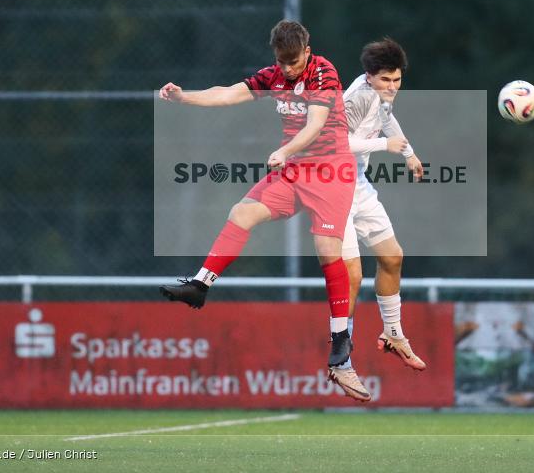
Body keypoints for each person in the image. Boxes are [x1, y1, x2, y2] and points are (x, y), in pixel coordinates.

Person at [157, 20, 371, 402]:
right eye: (281, 62)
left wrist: (286, 151)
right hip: (292, 170)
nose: (287, 69)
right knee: (242, 213)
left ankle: (340, 339)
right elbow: (226, 94)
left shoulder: (324, 71)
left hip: (330, 172)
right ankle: (200, 286)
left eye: (292, 62)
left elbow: (316, 123)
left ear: (306, 50)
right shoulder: (273, 75)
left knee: (327, 251)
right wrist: (184, 97)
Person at [330, 38, 427, 381]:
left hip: (357, 185)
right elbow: (337, 143)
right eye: (385, 79)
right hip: (331, 187)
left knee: (392, 257)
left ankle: (392, 333)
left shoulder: (381, 96)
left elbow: (388, 119)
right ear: (369, 76)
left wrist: (409, 154)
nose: (392, 86)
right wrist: (386, 146)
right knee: (351, 277)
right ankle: (341, 358)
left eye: (397, 80)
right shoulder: (357, 98)